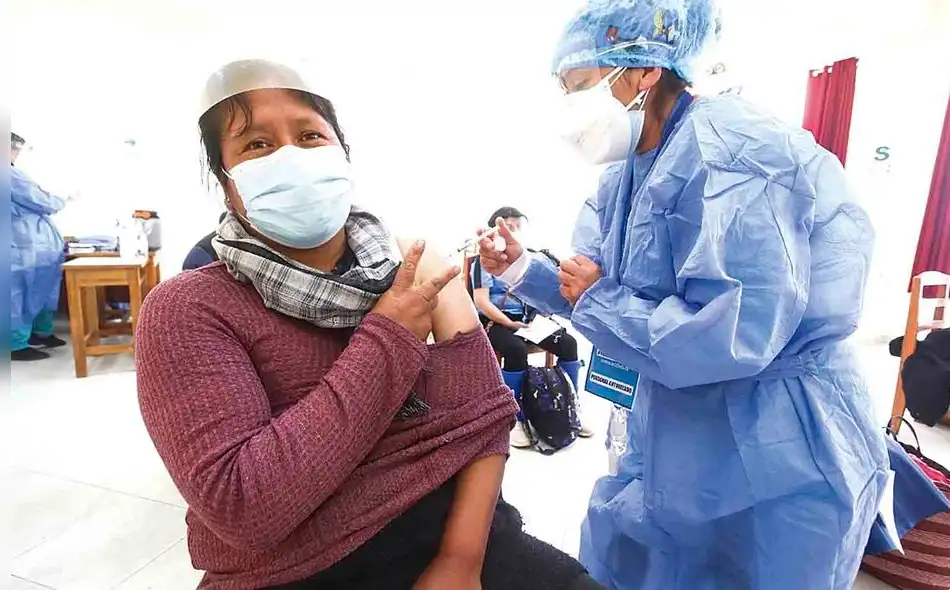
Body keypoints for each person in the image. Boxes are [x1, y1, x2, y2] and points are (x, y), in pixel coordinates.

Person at [135, 59, 602, 590]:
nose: (291, 156)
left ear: (342, 156)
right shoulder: (189, 307)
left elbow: (486, 417)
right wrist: (390, 336)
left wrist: (461, 562)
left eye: (310, 135)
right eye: (257, 145)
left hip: (459, 530)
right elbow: (246, 506)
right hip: (299, 569)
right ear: (226, 183)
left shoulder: (413, 263)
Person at [477, 1, 890, 588]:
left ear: (644, 69)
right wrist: (523, 270)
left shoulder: (737, 156)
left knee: (756, 567)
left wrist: (597, 298)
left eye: (581, 85)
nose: (571, 108)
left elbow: (734, 336)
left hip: (773, 439)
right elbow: (602, 297)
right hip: (675, 422)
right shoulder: (623, 178)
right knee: (646, 557)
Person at [470, 207, 592, 449]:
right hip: (497, 321)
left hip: (527, 321)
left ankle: (570, 407)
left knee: (569, 344)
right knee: (514, 350)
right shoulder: (482, 262)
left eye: (517, 225)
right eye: (508, 225)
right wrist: (509, 323)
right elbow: (481, 301)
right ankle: (516, 418)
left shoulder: (533, 258)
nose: (513, 230)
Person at [10, 132, 68, 361]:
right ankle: (16, 344)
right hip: (20, 247)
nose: (17, 153)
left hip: (31, 246)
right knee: (19, 295)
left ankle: (38, 334)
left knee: (39, 292)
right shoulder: (10, 174)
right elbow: (43, 201)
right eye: (15, 148)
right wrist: (60, 198)